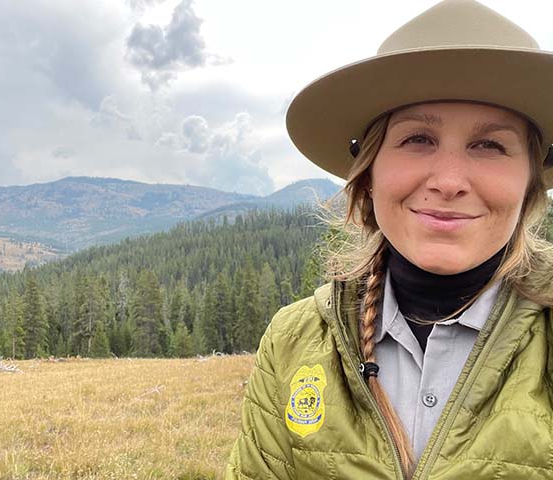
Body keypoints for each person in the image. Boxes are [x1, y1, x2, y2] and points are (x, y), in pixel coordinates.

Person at [226, 1, 553, 479]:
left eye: (490, 145)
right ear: (369, 172)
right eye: (417, 139)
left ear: (531, 181)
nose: (448, 181)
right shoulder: (293, 341)